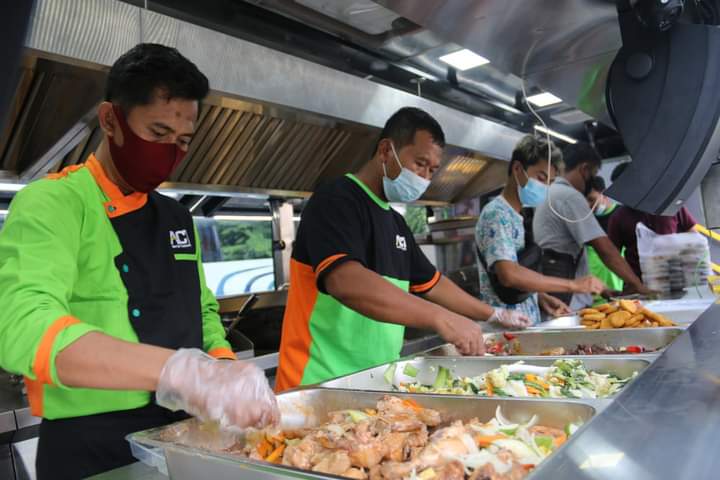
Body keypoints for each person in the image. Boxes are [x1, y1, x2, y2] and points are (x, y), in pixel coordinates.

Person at [0, 44, 278, 479]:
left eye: (182, 141)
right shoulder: (53, 203)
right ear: (110, 120)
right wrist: (177, 372)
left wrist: (222, 369)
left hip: (183, 438)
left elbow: (201, 311)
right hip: (89, 449)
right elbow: (20, 325)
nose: (170, 151)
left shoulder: (175, 216)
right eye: (158, 132)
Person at [275, 107, 531, 392]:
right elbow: (345, 280)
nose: (424, 177)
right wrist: (440, 317)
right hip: (319, 383)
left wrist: (493, 315)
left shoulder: (395, 222)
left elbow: (433, 284)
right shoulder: (337, 198)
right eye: (420, 163)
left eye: (432, 170)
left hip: (376, 383)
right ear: (386, 150)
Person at [475, 135, 605, 325]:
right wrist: (573, 285)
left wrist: (540, 297)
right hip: (504, 331)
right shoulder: (497, 215)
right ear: (518, 169)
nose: (545, 188)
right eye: (541, 178)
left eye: (550, 182)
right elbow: (509, 275)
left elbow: (518, 273)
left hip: (525, 326)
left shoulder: (520, 215)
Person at [533, 143, 650, 309]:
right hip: (568, 302)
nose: (592, 181)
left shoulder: (549, 194)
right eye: (593, 174)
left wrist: (602, 289)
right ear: (584, 169)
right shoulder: (569, 196)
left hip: (555, 293)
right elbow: (604, 248)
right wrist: (637, 285)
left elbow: (566, 248)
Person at [608, 162, 698, 280]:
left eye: (625, 187)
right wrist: (631, 280)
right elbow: (612, 256)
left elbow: (693, 235)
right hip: (640, 285)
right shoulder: (618, 217)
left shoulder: (669, 205)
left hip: (675, 280)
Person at [585, 176, 624, 293]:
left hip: (618, 288)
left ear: (604, 194)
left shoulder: (622, 216)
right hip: (592, 291)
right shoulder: (583, 222)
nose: (588, 205)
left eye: (591, 199)